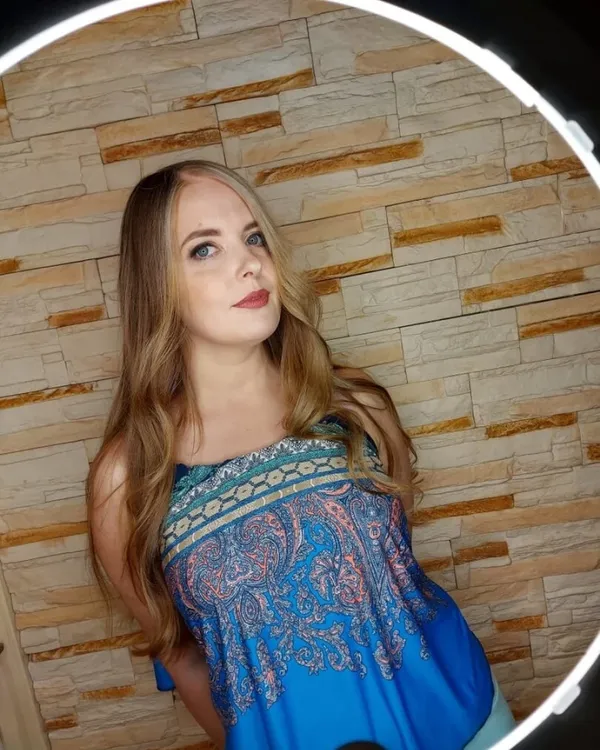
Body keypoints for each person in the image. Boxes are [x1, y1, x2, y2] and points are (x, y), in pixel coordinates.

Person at [87, 160, 516, 750]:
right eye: (204, 249)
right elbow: (177, 650)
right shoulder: (129, 476)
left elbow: (396, 575)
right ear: (155, 283)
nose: (249, 263)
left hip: (466, 723)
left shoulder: (354, 406)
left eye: (254, 237)